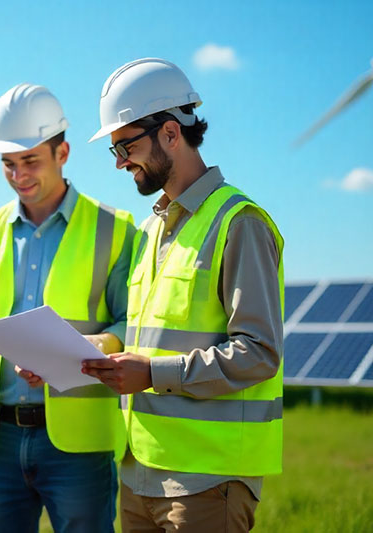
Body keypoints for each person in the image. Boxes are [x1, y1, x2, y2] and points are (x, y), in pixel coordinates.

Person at [0, 83, 135, 533]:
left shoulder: (116, 230)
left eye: (30, 161)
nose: (19, 176)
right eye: (8, 165)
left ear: (63, 152)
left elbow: (132, 324)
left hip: (78, 443)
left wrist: (76, 351)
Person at [82, 58, 284, 532]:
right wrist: (106, 349)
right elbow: (152, 336)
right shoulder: (151, 230)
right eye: (113, 148)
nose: (118, 162)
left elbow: (260, 353)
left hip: (206, 481)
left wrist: (152, 373)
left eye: (125, 145)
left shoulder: (240, 222)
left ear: (171, 133)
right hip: (139, 472)